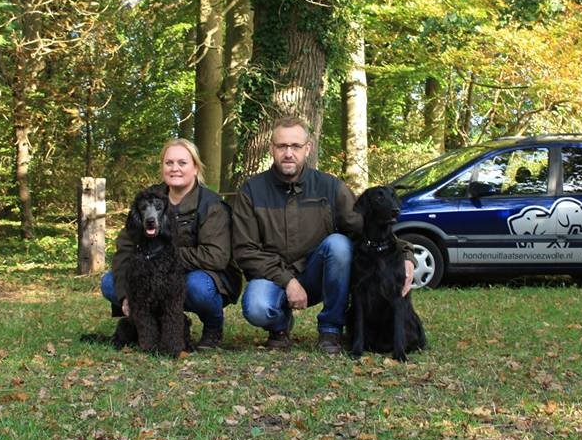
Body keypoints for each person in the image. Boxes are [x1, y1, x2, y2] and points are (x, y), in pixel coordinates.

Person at [232, 116, 415, 355]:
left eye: (296, 146)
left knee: (339, 244)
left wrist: (405, 253)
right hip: (272, 277)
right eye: (282, 146)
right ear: (272, 149)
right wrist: (287, 280)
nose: (289, 153)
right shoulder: (251, 191)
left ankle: (330, 329)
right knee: (257, 306)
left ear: (307, 148)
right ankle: (279, 327)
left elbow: (364, 227)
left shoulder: (330, 187)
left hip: (315, 273)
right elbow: (245, 250)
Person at [101, 138, 241, 351]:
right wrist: (125, 295)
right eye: (169, 163)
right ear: (162, 167)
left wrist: (165, 257)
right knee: (111, 282)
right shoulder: (148, 199)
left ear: (195, 168)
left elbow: (216, 256)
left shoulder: (211, 204)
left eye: (182, 163)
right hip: (155, 272)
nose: (175, 168)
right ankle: (154, 326)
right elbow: (125, 249)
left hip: (204, 274)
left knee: (196, 286)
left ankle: (213, 328)